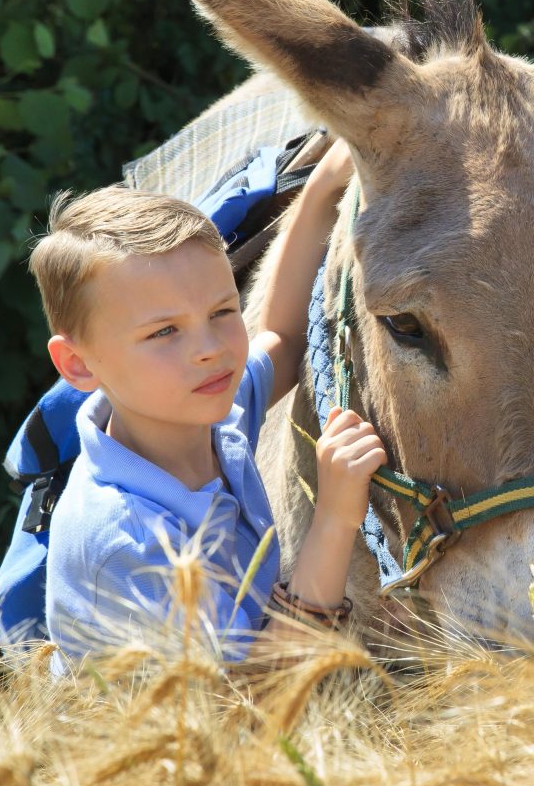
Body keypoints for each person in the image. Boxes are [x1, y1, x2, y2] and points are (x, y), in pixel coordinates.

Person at [30, 144, 387, 666]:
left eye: (222, 311)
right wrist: (333, 519)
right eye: (165, 331)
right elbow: (253, 695)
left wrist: (320, 192)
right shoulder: (125, 540)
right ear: (79, 365)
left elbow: (282, 340)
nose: (212, 348)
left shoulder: (209, 411)